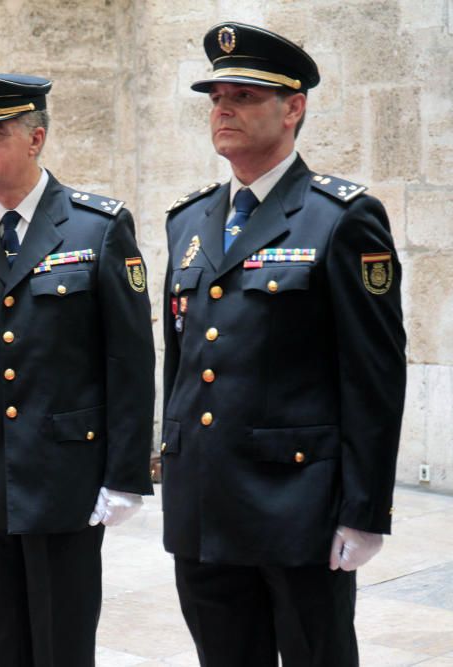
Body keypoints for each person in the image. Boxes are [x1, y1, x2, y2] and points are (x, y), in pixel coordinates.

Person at [161, 22, 406, 666]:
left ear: (293, 108)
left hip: (296, 507)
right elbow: (182, 362)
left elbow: (374, 375)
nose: (223, 110)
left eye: (243, 96)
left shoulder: (341, 217)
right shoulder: (187, 220)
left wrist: (364, 509)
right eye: (217, 97)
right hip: (205, 508)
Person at [0, 73, 155, 666]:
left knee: (61, 641)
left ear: (36, 137)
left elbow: (130, 356)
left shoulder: (97, 227)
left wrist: (125, 473)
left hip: (66, 475)